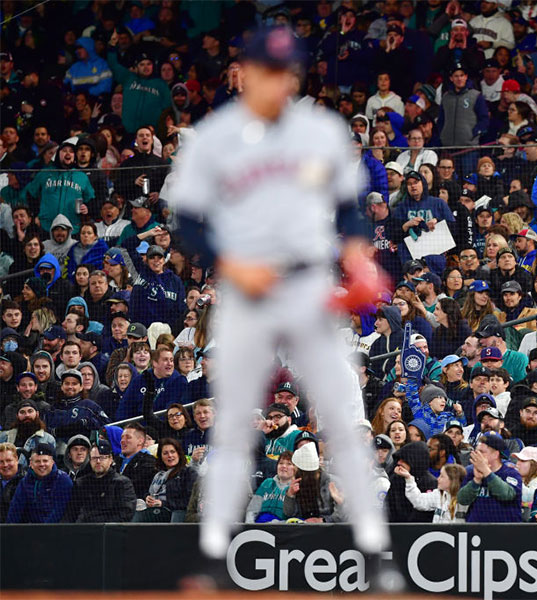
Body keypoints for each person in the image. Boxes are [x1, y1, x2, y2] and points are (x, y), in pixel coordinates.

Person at [169, 27, 388, 559]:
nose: (278, 80)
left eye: (286, 71)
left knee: (341, 407)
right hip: (247, 287)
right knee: (233, 419)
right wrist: (230, 264)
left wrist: (358, 256)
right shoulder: (217, 136)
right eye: (267, 69)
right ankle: (214, 552)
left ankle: (376, 548)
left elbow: (351, 207)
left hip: (309, 283)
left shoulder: (321, 131)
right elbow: (187, 221)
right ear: (243, 73)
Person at [62, 440, 136, 523]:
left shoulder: (122, 483)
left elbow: (125, 514)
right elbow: (71, 512)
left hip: (109, 531)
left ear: (110, 459)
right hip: (82, 530)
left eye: (102, 457)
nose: (98, 461)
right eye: (94, 458)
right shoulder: (81, 483)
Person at [457, 432, 523, 522]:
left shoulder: (511, 473)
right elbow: (462, 499)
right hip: (476, 531)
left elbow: (507, 495)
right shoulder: (471, 472)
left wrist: (487, 473)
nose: (477, 455)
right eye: (476, 451)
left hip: (505, 531)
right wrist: (476, 480)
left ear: (495, 454)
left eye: (482, 452)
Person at [6, 443, 73, 523]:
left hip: (56, 530)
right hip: (30, 530)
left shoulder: (63, 480)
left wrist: (42, 531)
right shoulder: (24, 482)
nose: (42, 464)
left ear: (52, 462)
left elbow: (59, 511)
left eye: (45, 461)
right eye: (37, 461)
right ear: (31, 464)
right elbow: (15, 511)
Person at [142, 438, 197, 522]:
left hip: (175, 514)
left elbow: (189, 501)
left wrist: (164, 504)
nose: (170, 456)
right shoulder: (156, 473)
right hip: (153, 512)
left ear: (179, 454)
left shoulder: (188, 473)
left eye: (173, 452)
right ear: (161, 456)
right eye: (165, 453)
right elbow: (145, 490)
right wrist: (147, 497)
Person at [396, 461, 468, 523]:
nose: (438, 479)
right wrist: (408, 478)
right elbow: (418, 500)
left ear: (452, 480)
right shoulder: (438, 494)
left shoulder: (465, 499)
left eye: (442, 476)